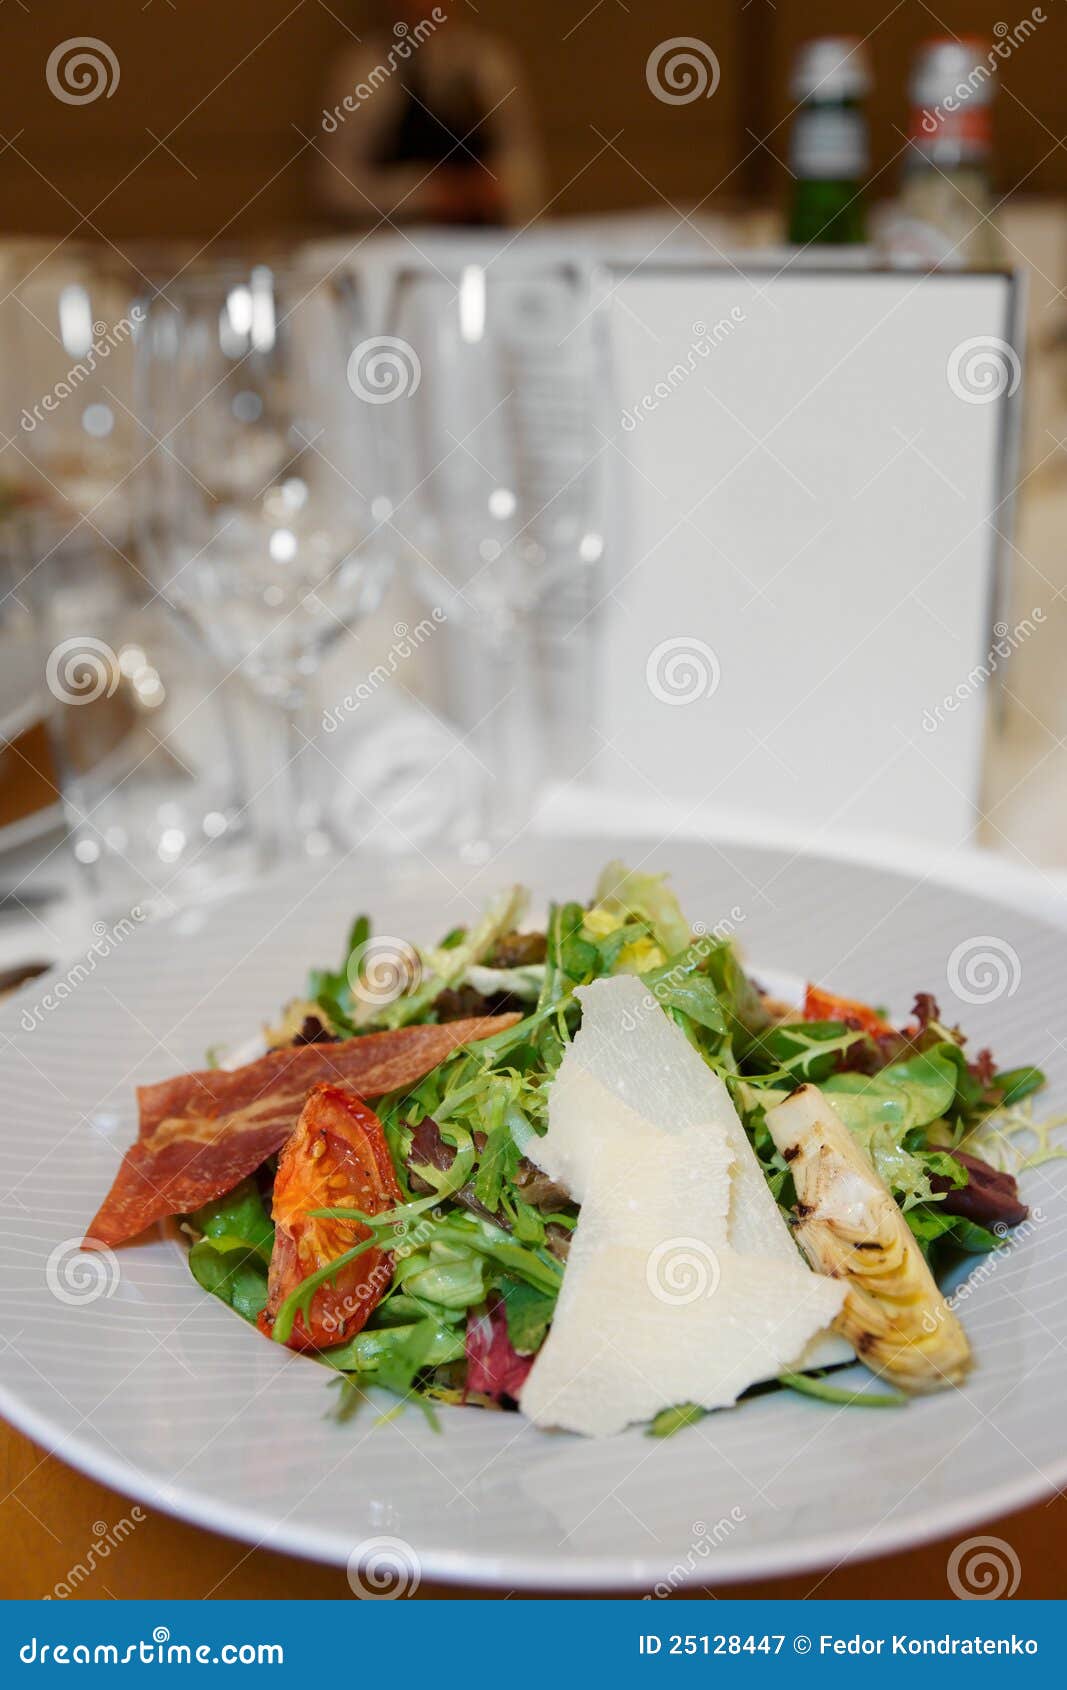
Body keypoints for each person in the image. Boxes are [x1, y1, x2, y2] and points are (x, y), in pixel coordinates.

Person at [313, 3, 546, 227]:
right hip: (397, 241)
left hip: (484, 240)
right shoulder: (365, 72)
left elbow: (526, 170)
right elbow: (335, 187)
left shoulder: (489, 64)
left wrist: (494, 188)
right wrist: (427, 194)